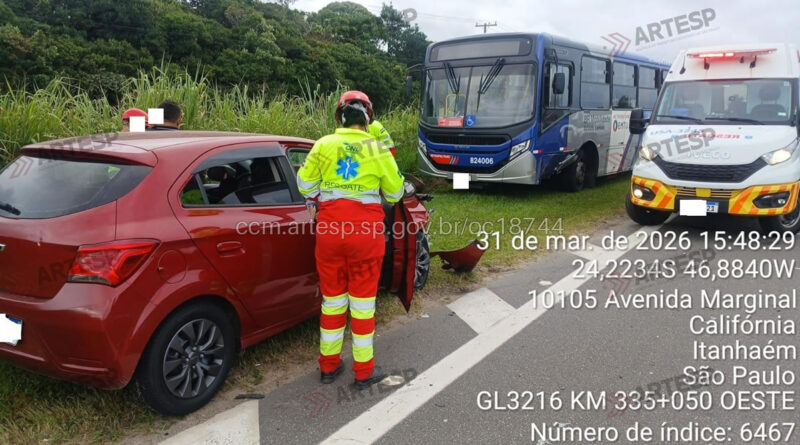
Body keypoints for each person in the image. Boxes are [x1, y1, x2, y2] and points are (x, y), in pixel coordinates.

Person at [296, 90, 404, 389]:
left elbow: (305, 185)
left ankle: (328, 366)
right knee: (362, 304)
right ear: (368, 119)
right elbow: (395, 193)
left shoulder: (323, 144)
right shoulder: (377, 148)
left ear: (338, 117)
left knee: (332, 300)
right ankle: (364, 371)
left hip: (330, 233)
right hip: (365, 235)